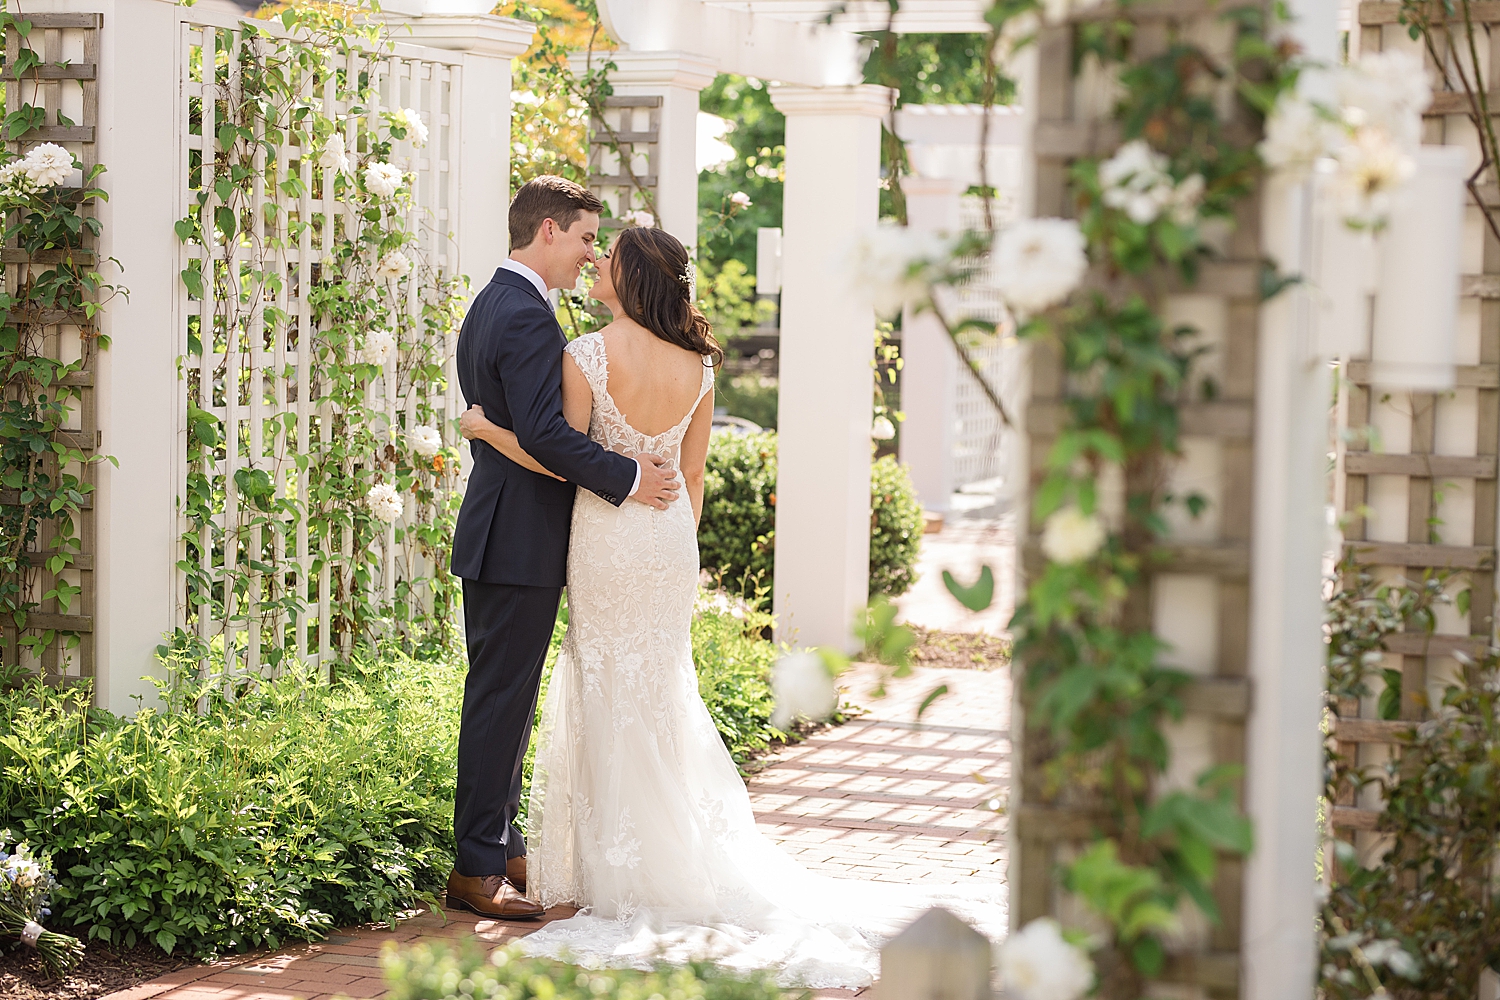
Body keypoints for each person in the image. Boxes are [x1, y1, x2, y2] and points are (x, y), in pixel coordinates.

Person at [459, 224, 1000, 987]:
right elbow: (695, 475)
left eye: (607, 259)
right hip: (669, 539)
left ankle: (614, 865)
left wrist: (488, 430)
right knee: (659, 684)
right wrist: (680, 545)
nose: (595, 265)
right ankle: (666, 854)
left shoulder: (584, 355)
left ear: (631, 280)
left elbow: (560, 460)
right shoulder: (700, 368)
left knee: (605, 679)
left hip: (609, 538)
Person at [446, 177, 681, 921]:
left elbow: (519, 426)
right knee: (498, 705)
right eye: (584, 237)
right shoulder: (525, 317)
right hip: (516, 540)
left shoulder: (498, 302)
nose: (590, 254)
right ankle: (476, 868)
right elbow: (549, 436)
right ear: (548, 231)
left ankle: (506, 846)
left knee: (506, 704)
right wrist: (628, 477)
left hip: (506, 533)